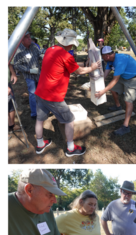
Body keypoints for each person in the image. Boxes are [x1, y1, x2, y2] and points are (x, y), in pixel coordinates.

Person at [34, 28, 101, 156]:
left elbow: (69, 66)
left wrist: (83, 64)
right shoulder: (65, 55)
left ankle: (40, 144)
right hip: (53, 95)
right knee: (70, 119)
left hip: (40, 92)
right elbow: (79, 71)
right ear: (69, 42)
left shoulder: (50, 50)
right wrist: (92, 67)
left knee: (40, 119)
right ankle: (71, 148)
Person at [95, 45, 136, 136]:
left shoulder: (120, 60)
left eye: (102, 57)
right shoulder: (109, 61)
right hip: (124, 76)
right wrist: (96, 84)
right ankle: (118, 106)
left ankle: (125, 126)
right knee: (113, 89)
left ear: (107, 56)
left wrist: (103, 91)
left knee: (128, 101)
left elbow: (115, 80)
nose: (103, 59)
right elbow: (105, 75)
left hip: (134, 78)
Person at [13, 32, 41, 119]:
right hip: (29, 76)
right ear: (21, 40)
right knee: (32, 93)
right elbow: (17, 65)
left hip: (39, 74)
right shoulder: (18, 51)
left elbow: (39, 56)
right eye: (27, 37)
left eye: (30, 37)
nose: (30, 39)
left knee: (40, 92)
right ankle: (34, 113)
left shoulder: (34, 46)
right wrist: (29, 70)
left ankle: (41, 110)